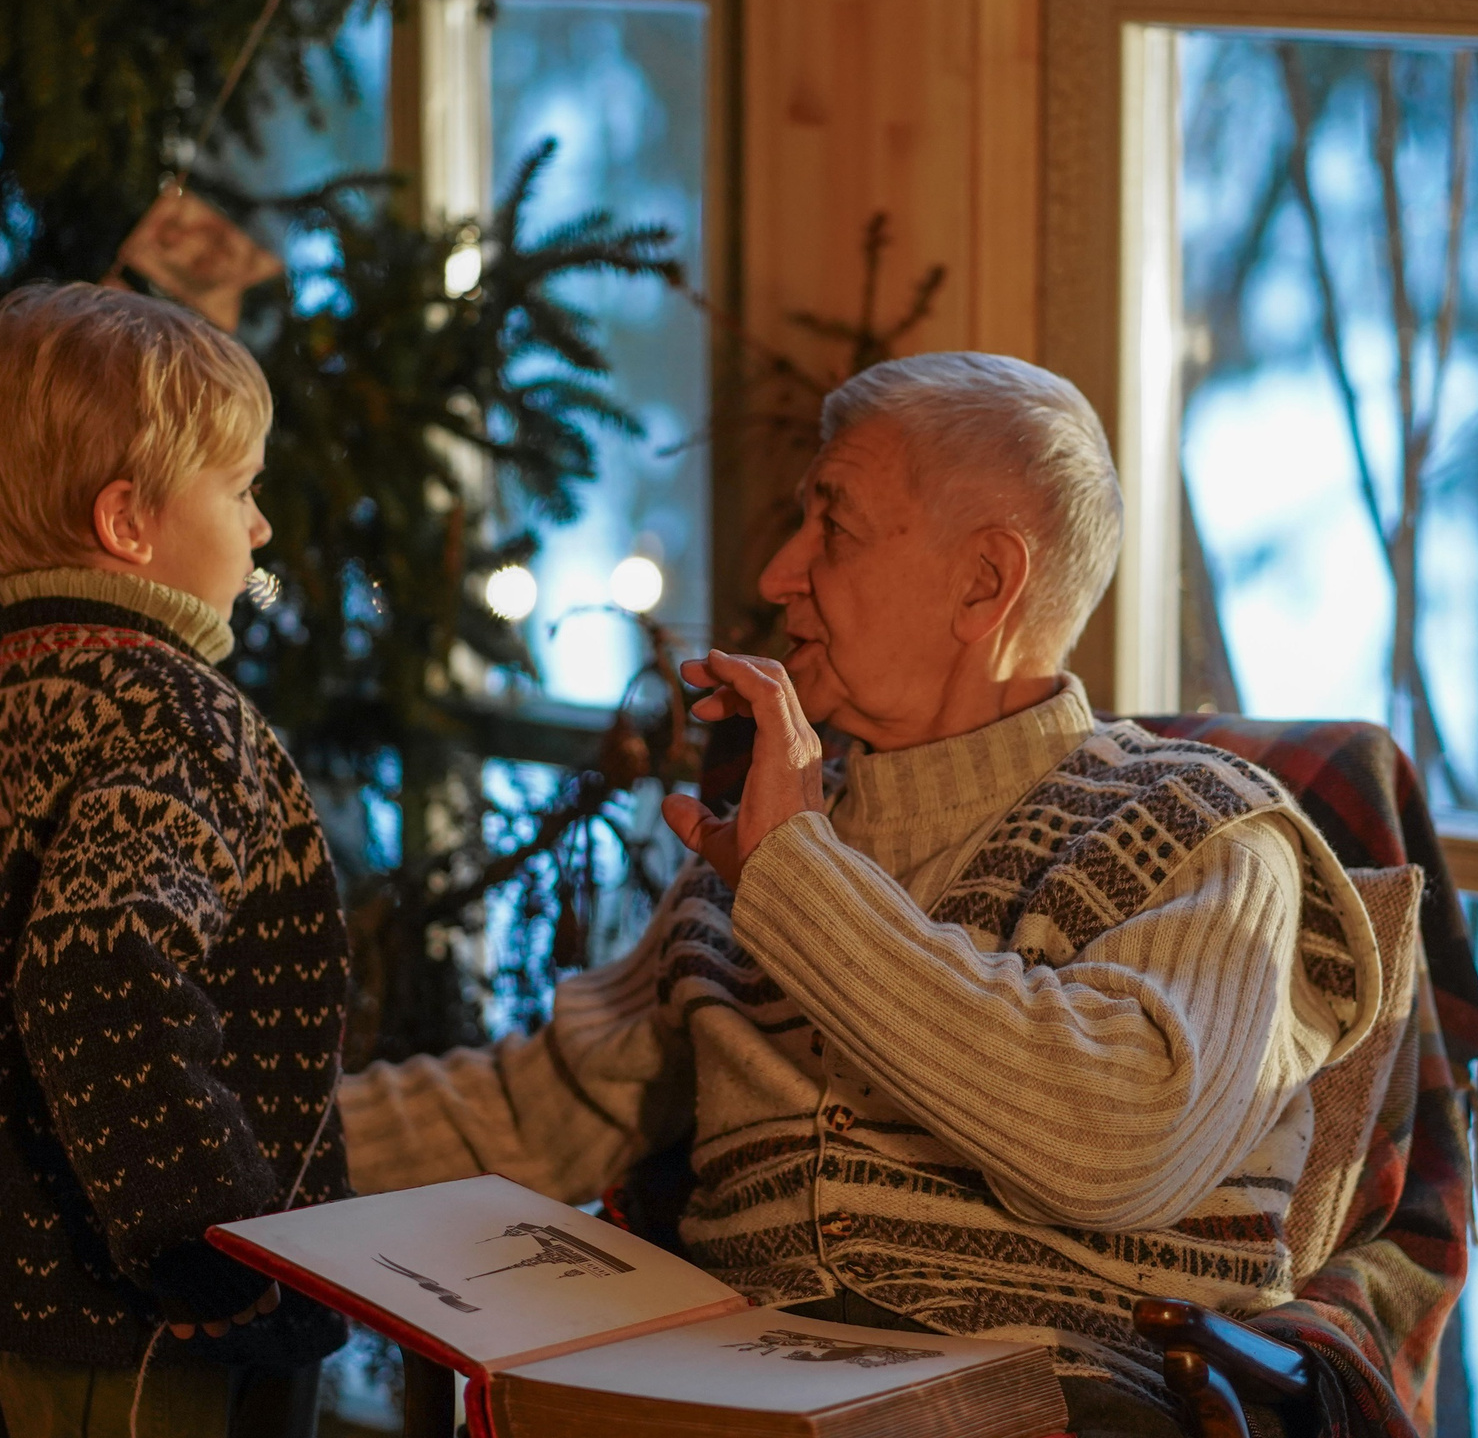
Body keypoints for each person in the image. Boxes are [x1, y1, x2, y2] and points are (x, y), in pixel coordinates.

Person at [338, 352, 1397, 1437]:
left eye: (832, 528)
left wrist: (798, 880)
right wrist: (242, 1145)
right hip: (735, 1397)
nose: (778, 574)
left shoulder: (1206, 825)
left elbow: (1115, 1139)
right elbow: (539, 1108)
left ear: (984, 583)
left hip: (1059, 1405)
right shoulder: (769, 845)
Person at [0, 282, 351, 1438]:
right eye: (239, 492)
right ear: (127, 525)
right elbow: (96, 971)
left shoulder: (17, 708)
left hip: (28, 1304)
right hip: (157, 1325)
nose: (257, 529)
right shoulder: (172, 715)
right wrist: (210, 1251)